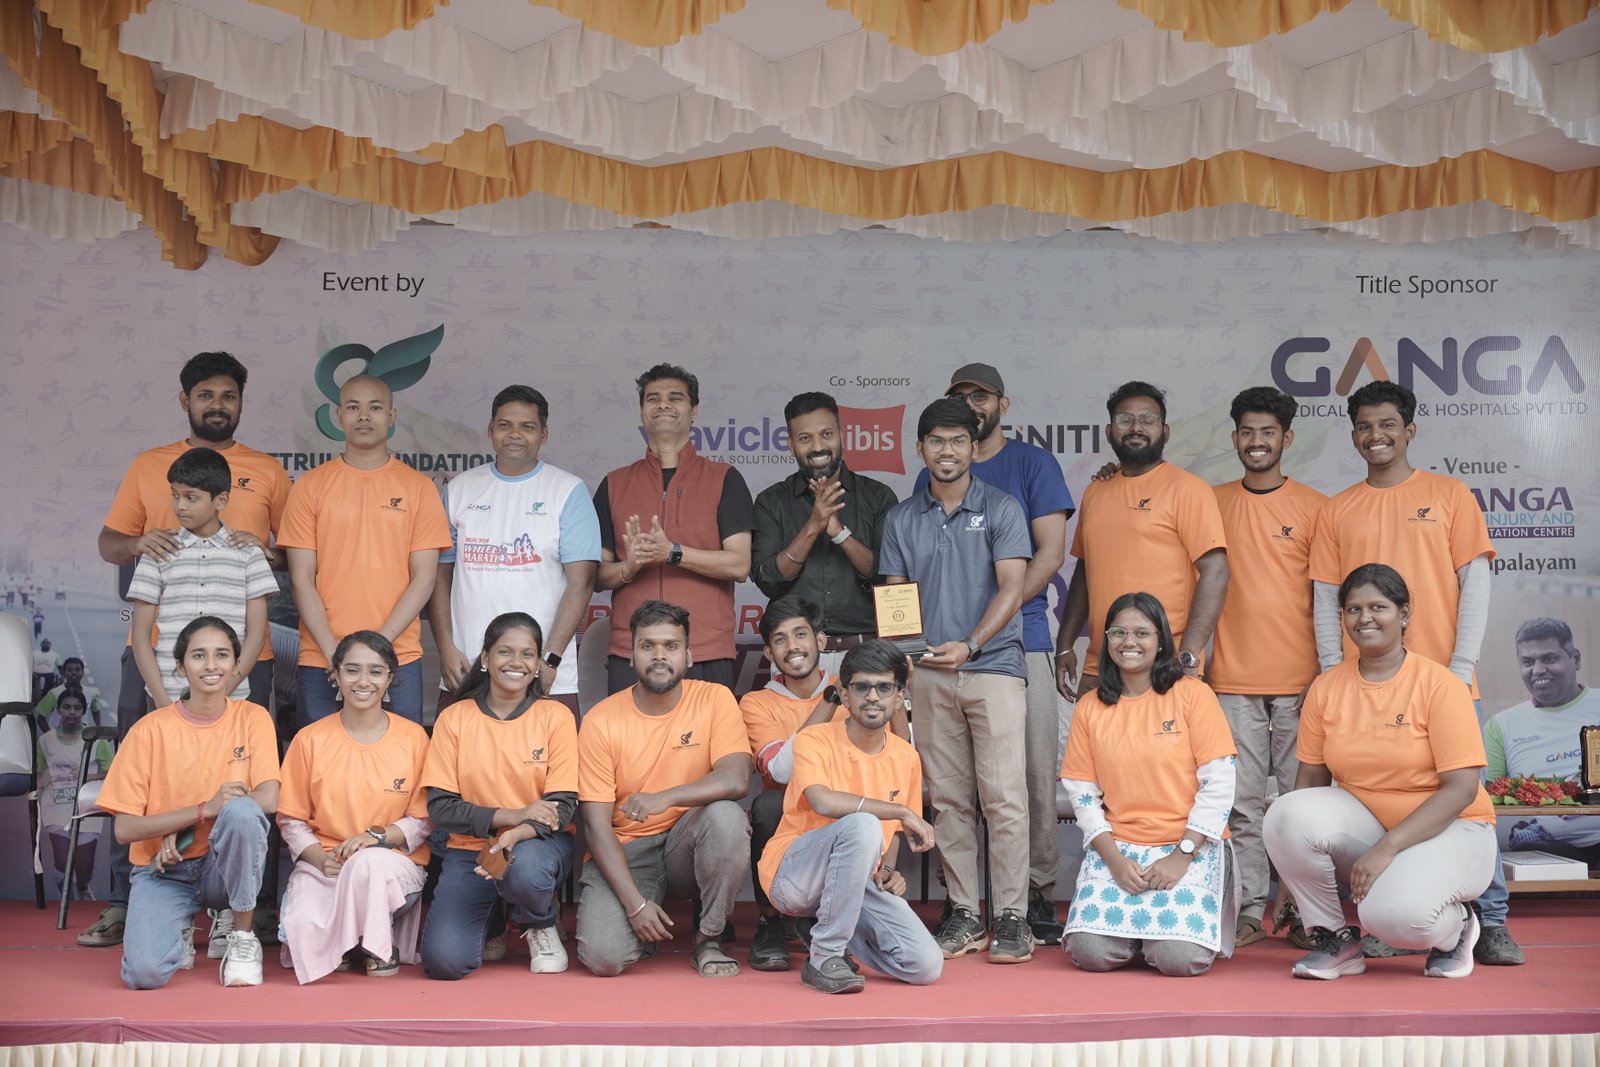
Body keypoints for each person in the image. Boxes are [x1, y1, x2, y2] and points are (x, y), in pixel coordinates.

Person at [1263, 564, 1498, 981]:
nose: (1364, 618)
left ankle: (1459, 928)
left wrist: (1388, 847)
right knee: (1285, 813)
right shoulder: (1326, 688)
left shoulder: (1440, 685)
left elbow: (1462, 789)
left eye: (1378, 607)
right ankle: (1334, 938)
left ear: (1404, 614)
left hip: (1454, 829)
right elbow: (1309, 785)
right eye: (1353, 609)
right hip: (1372, 828)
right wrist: (1289, 877)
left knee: (1390, 918)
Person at [879, 397, 1033, 963]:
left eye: (958, 441)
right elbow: (895, 602)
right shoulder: (900, 518)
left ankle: (1012, 917)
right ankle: (966, 913)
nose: (948, 451)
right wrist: (910, 660)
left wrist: (971, 644)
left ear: (974, 448)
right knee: (947, 802)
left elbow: (1013, 587)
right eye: (937, 441)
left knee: (1004, 798)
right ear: (920, 448)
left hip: (994, 668)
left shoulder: (1001, 507)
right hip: (927, 673)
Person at [927, 363, 1076, 945]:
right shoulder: (931, 479)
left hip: (1023, 640)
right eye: (960, 396)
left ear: (1002, 405)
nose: (971, 404)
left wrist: (989, 627)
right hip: (945, 654)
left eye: (981, 396)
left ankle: (1033, 895)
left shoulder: (1032, 463)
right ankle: (964, 904)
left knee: (1029, 778)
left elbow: (1050, 554)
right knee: (955, 787)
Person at [94, 617, 279, 989]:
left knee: (244, 812)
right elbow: (125, 829)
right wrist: (201, 811)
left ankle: (242, 938)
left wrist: (184, 828)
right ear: (180, 666)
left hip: (221, 867)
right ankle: (178, 926)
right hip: (165, 870)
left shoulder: (253, 717)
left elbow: (268, 798)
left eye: (222, 655)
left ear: (236, 665)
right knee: (143, 974)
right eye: (198, 655)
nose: (211, 665)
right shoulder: (149, 729)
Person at [1060, 592, 1238, 976]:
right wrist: (1113, 860)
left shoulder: (1193, 695)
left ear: (1160, 642)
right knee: (1090, 953)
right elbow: (1082, 792)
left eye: (1142, 633)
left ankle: (1152, 940)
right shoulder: (1090, 706)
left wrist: (1181, 855)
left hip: (1187, 846)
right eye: (1118, 632)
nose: (1129, 642)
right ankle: (1136, 939)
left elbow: (1220, 783)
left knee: (1179, 959)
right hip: (1119, 848)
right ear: (1107, 640)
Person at [575, 600, 752, 978]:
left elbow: (736, 780)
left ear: (688, 655)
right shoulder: (601, 720)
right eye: (647, 646)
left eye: (671, 646)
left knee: (726, 817)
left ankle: (708, 937)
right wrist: (635, 906)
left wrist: (665, 798)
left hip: (687, 843)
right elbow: (596, 826)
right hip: (629, 849)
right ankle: (645, 919)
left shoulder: (714, 698)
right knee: (605, 958)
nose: (659, 656)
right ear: (630, 656)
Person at [1208, 387, 1326, 948]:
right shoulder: (1210, 502)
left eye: (1268, 432)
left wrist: (1327, 671)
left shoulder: (1316, 507)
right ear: (1235, 438)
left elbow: (1329, 598)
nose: (1257, 442)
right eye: (1248, 432)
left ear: (1287, 438)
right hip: (1231, 680)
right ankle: (1251, 908)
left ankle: (1305, 911)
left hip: (1304, 683)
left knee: (1303, 807)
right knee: (1242, 807)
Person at [759, 639, 942, 993]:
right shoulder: (814, 739)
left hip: (852, 884)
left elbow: (891, 834)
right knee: (862, 824)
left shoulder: (906, 756)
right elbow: (822, 801)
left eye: (884, 687)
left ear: (898, 697)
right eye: (861, 687)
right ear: (844, 695)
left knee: (925, 965)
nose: (873, 697)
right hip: (794, 878)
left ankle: (826, 928)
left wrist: (886, 871)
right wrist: (901, 810)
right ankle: (825, 956)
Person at [280, 374, 452, 725]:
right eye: (353, 407)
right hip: (323, 656)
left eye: (374, 407)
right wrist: (336, 654)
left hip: (397, 654)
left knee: (400, 756)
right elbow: (301, 580)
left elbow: (424, 579)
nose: (363, 416)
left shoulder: (419, 488)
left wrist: (379, 650)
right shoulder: (309, 487)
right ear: (338, 415)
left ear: (391, 416)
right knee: (321, 756)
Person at [420, 612, 578, 979]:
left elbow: (562, 807)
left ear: (538, 665)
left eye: (528, 654)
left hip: (536, 845)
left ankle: (539, 920)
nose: (516, 662)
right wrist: (514, 815)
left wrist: (517, 832)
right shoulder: (454, 718)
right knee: (444, 962)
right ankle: (494, 916)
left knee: (525, 871)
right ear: (486, 658)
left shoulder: (556, 716)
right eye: (505, 651)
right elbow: (441, 808)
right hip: (471, 849)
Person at [1310, 380, 1493, 693]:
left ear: (1409, 431)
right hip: (1361, 683)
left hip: (1443, 679)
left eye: (1387, 424)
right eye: (1364, 427)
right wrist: (1331, 671)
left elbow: (1475, 585)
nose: (1375, 435)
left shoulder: (1451, 494)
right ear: (1354, 437)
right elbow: (1327, 599)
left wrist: (1461, 669)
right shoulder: (1334, 510)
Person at [428, 385, 599, 715]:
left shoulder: (568, 491)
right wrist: (446, 648)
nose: (515, 434)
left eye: (527, 426)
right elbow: (439, 576)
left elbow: (582, 583)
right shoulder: (460, 489)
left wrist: (551, 659)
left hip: (544, 673)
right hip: (467, 669)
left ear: (544, 434)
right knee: (460, 750)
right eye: (505, 425)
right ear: (490, 430)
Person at [1055, 381, 1228, 700]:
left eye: (1148, 420)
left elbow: (1216, 572)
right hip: (1100, 666)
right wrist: (1065, 643)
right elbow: (1084, 570)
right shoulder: (1095, 491)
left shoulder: (1188, 490)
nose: (1136, 427)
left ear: (1165, 431)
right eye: (1125, 419)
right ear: (1109, 432)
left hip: (1166, 667)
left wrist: (1188, 655)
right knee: (1090, 735)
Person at [276, 631, 432, 983]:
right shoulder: (309, 739)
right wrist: (320, 860)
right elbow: (291, 819)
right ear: (336, 675)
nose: (364, 681)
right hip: (326, 864)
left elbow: (423, 820)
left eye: (375, 672)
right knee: (302, 922)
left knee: (368, 862)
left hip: (391, 865)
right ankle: (349, 940)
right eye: (352, 670)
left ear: (390, 679)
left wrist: (375, 838)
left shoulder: (414, 739)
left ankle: (377, 945)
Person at [592, 364, 753, 693]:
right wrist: (628, 567)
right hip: (633, 652)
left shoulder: (724, 478)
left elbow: (739, 565)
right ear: (642, 412)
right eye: (653, 398)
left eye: (675, 397)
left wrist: (673, 553)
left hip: (704, 650)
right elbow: (596, 576)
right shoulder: (614, 484)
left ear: (694, 411)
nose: (663, 404)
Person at [1474, 617, 1600, 966]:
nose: (1538, 670)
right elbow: (1491, 798)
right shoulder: (1502, 725)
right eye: (1527, 662)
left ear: (1575, 658)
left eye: (1549, 658)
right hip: (1537, 850)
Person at [752, 391, 898, 677]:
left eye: (826, 434)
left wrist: (839, 532)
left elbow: (885, 577)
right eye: (805, 438)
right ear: (791, 444)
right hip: (797, 655)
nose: (818, 446)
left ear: (841, 436)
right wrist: (813, 526)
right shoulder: (771, 501)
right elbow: (768, 580)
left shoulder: (878, 497)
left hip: (867, 654)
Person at [739, 595, 849, 971]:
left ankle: (831, 922)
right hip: (789, 823)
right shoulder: (757, 702)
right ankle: (771, 922)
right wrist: (832, 698)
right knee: (767, 805)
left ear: (820, 640)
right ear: (769, 653)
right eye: (780, 639)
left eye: (800, 634)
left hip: (841, 815)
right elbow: (781, 772)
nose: (792, 646)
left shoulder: (855, 689)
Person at [127, 448, 278, 709]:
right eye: (175, 495)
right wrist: (162, 700)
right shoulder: (158, 552)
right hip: (167, 696)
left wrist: (223, 692)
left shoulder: (249, 554)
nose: (180, 506)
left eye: (191, 497)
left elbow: (256, 634)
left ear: (220, 501)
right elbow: (140, 635)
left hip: (231, 698)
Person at [35, 687, 114, 900]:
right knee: (62, 857)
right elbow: (39, 771)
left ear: (83, 711)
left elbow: (113, 772)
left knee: (84, 864)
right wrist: (38, 782)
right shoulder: (46, 741)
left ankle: (83, 887)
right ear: (58, 710)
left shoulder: (97, 741)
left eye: (77, 708)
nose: (71, 712)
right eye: (66, 707)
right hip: (56, 805)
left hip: (86, 807)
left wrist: (87, 776)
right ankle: (66, 897)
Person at [36, 657, 106, 729]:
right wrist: (50, 734)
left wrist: (99, 729)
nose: (74, 672)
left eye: (77, 670)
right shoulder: (54, 693)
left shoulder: (92, 693)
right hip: (59, 734)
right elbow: (40, 718)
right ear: (64, 673)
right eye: (69, 670)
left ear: (82, 673)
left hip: (82, 734)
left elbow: (96, 711)